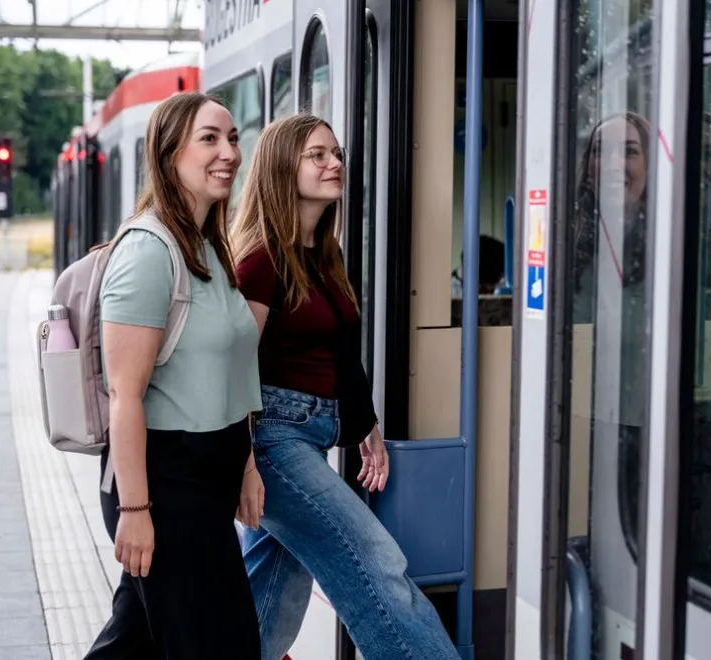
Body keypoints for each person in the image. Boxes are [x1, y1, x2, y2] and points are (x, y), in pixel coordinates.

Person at [229, 112, 460, 660]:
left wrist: (366, 425)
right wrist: (242, 461)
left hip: (307, 434)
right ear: (284, 166)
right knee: (375, 563)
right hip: (273, 442)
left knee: (269, 592)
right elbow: (233, 367)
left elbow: (339, 351)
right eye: (317, 155)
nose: (335, 163)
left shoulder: (320, 255)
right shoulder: (260, 261)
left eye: (336, 154)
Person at [84, 92, 262, 659]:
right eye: (209, 138)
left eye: (232, 138)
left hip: (207, 482)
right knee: (223, 643)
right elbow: (125, 395)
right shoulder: (147, 250)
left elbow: (231, 370)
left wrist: (246, 463)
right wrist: (136, 513)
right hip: (165, 487)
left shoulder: (210, 248)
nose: (228, 152)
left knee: (133, 642)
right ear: (168, 155)